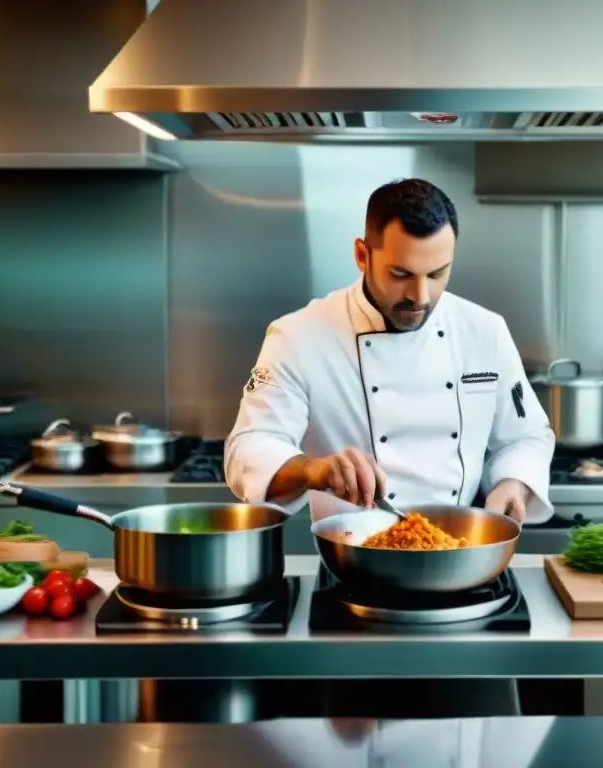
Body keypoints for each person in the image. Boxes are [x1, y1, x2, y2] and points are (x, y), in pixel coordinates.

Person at [223, 178, 556, 720]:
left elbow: (526, 434)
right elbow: (246, 450)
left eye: (437, 274)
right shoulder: (299, 336)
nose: (420, 296)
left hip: (468, 575)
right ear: (362, 254)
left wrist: (512, 485)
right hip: (355, 584)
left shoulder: (484, 332)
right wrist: (313, 468)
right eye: (401, 273)